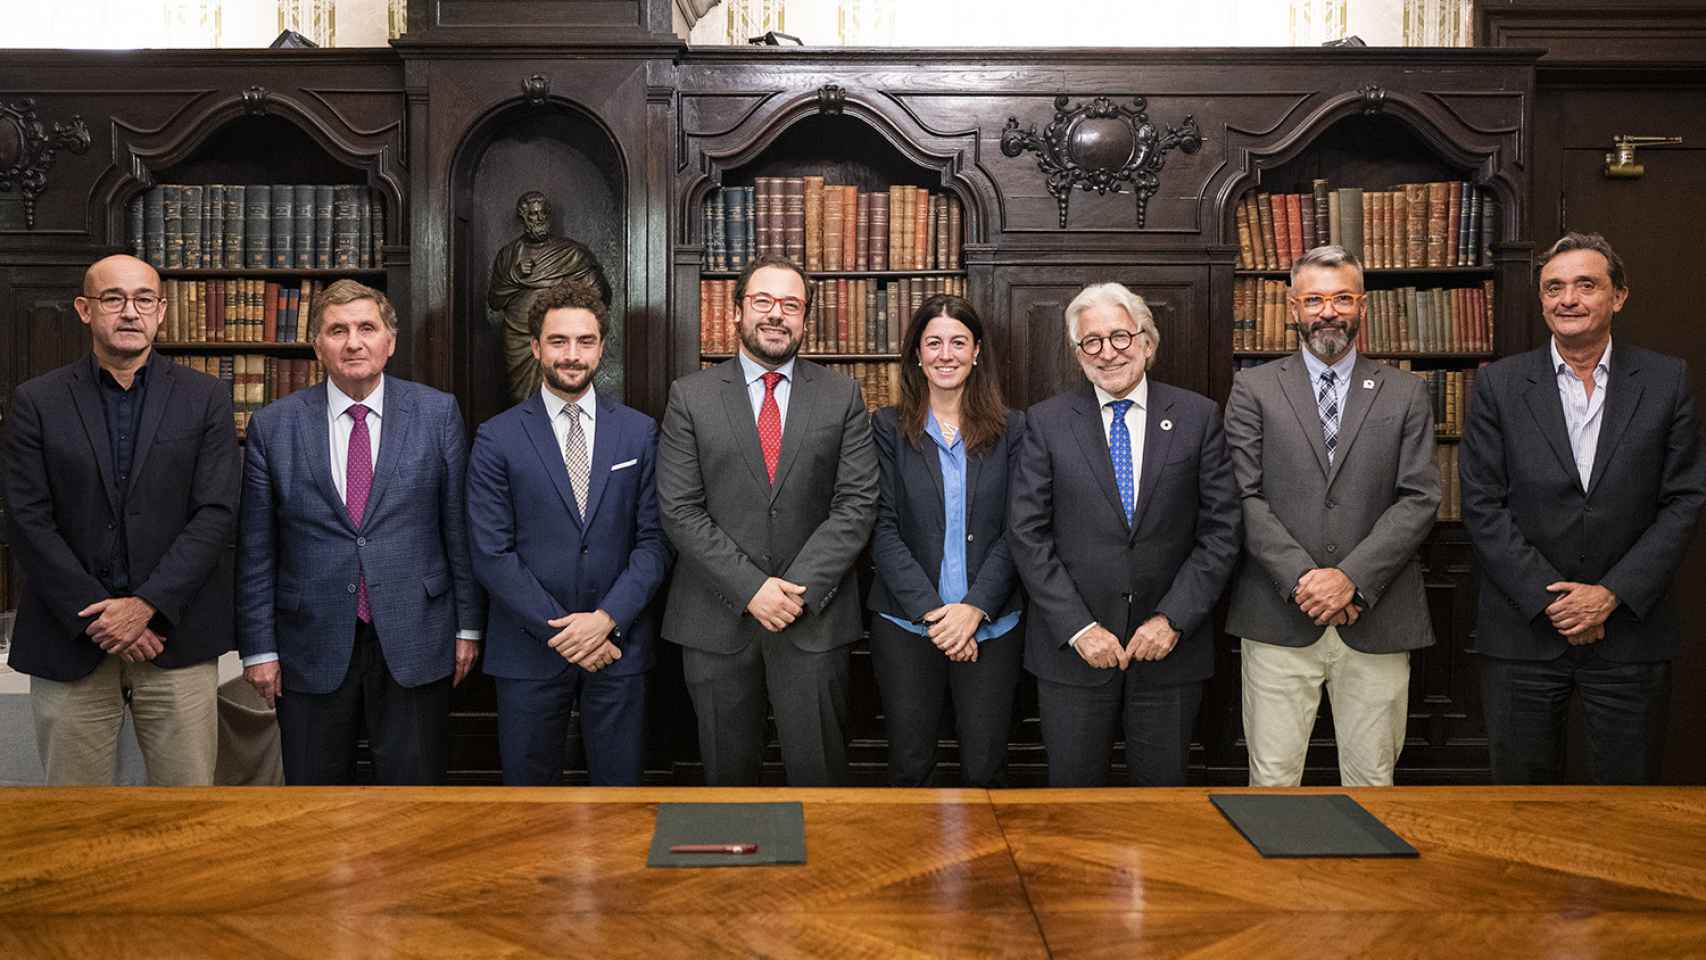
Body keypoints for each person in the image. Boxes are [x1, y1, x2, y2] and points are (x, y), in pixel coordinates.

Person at [1461, 231, 1706, 784]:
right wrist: (1554, 602)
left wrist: (1610, 595)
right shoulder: (1499, 385)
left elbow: (1684, 499)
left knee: (1627, 805)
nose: (1567, 299)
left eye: (1585, 285)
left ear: (1618, 296)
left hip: (1630, 634)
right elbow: (1481, 503)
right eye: (1554, 287)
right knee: (1522, 806)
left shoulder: (1667, 381)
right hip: (1522, 632)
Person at [3, 253, 239, 785]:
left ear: (161, 311)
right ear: (85, 310)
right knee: (74, 820)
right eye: (113, 299)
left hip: (175, 640)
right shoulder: (37, 401)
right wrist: (102, 618)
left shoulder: (206, 398)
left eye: (143, 300)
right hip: (70, 640)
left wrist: (148, 606)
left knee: (188, 818)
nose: (128, 312)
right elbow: (26, 519)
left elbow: (217, 513)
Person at [238, 279, 485, 785]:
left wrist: (468, 626)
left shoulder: (437, 414)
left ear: (389, 342)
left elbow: (458, 527)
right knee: (315, 800)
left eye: (366, 328)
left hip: (417, 633)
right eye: (337, 330)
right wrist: (259, 649)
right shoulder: (274, 425)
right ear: (317, 346)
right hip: (309, 640)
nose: (353, 342)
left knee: (414, 799)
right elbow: (257, 548)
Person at [1223, 244, 1441, 787]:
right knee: (1272, 783)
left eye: (1342, 298)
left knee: (1373, 783)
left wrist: (1350, 580)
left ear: (1362, 306)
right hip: (1278, 619)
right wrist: (1304, 580)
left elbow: (1419, 498)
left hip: (1377, 615)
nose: (1329, 311)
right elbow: (1242, 495)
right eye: (1315, 299)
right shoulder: (1253, 388)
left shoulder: (1407, 391)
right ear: (1293, 307)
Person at [658, 254, 879, 786]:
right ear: (737, 312)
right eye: (763, 301)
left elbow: (857, 503)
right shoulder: (691, 397)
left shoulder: (842, 395)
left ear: (805, 318)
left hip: (814, 621)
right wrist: (752, 589)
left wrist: (794, 593)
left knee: (820, 781)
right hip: (717, 621)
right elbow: (680, 509)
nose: (776, 314)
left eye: (790, 305)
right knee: (729, 787)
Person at [1008, 282, 1241, 787]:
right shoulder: (1045, 423)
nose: (1107, 352)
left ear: (1148, 343)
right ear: (1077, 354)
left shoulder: (1199, 418)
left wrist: (1172, 619)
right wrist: (1079, 628)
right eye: (1091, 342)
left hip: (1168, 652)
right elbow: (1027, 534)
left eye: (1120, 336)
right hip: (1073, 654)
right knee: (1072, 807)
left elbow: (1221, 531)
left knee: (1160, 811)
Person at [466, 278, 672, 786]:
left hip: (618, 648)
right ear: (535, 347)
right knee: (527, 809)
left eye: (584, 341)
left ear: (602, 347)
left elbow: (655, 543)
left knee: (619, 800)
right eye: (558, 341)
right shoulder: (497, 437)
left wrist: (606, 620)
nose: (572, 355)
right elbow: (492, 553)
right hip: (528, 651)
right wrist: (569, 633)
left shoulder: (639, 432)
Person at [868, 295, 1025, 787]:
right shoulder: (887, 429)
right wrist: (938, 616)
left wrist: (974, 609)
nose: (946, 354)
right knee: (911, 766)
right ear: (917, 353)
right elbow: (880, 527)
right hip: (907, 624)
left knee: (985, 769)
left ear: (977, 352)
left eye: (958, 342)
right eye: (933, 342)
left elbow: (1019, 528)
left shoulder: (1014, 430)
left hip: (993, 625)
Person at [486, 191, 613, 405]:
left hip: (563, 335)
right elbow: (495, 301)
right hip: (520, 337)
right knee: (520, 398)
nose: (539, 219)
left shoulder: (571, 253)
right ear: (522, 217)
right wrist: (514, 276)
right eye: (533, 214)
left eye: (543, 213)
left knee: (566, 389)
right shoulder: (508, 255)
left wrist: (566, 297)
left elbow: (600, 294)